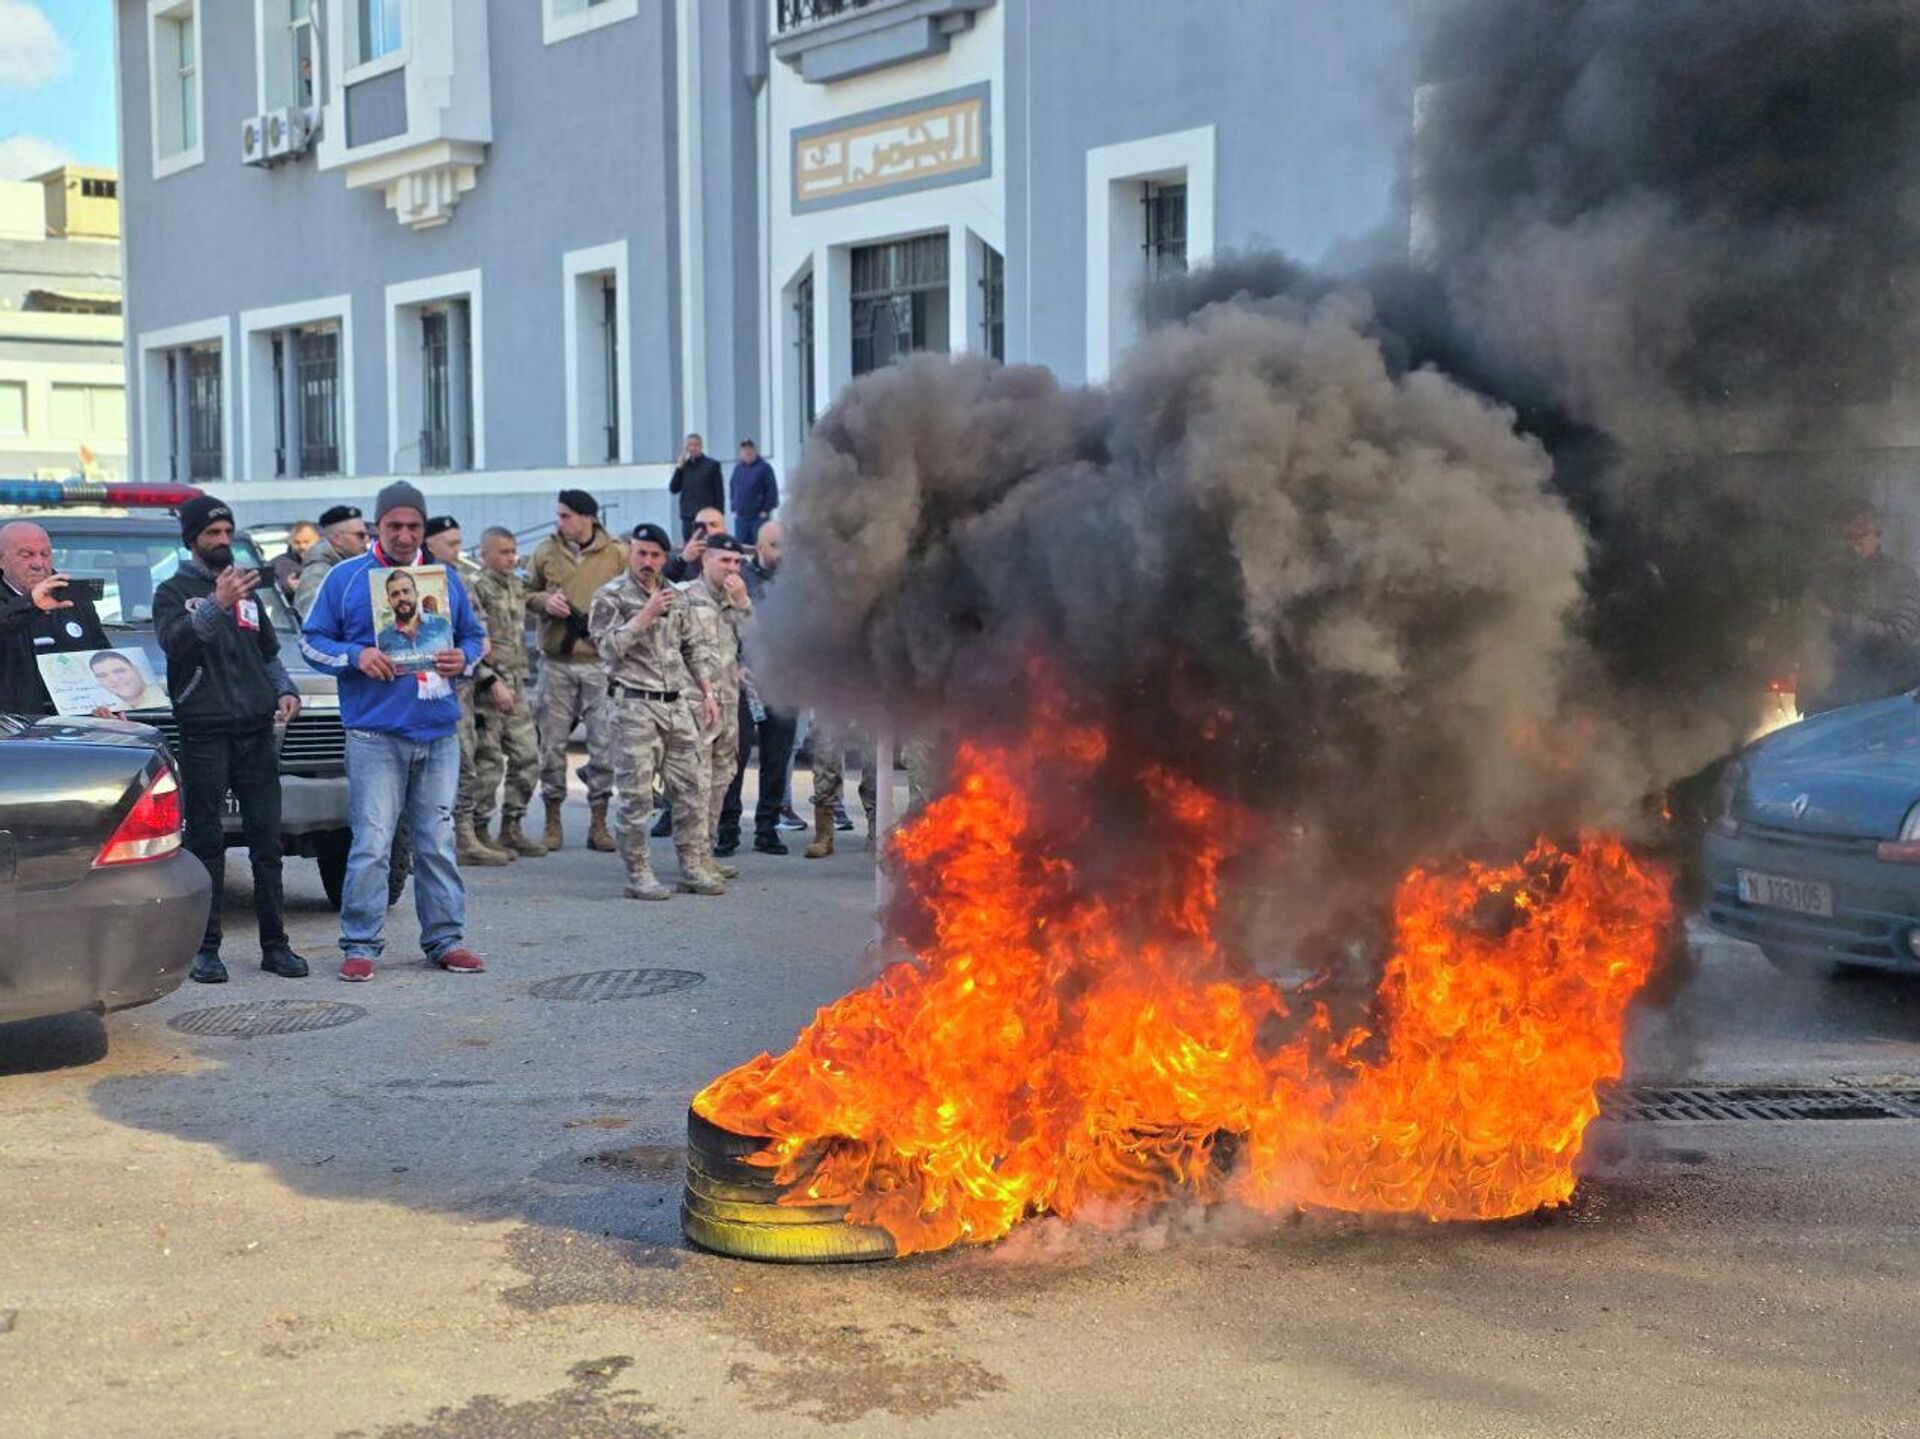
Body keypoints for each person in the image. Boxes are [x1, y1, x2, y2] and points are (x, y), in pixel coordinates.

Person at [299, 480, 489, 983]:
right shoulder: (346, 578)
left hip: (438, 732)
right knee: (373, 842)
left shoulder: (444, 579)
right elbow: (311, 642)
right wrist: (356, 656)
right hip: (375, 734)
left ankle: (446, 939)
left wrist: (462, 657)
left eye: (414, 526)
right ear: (375, 527)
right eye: (394, 526)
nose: (405, 536)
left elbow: (475, 636)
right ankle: (361, 944)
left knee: (437, 841)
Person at [154, 495, 308, 984]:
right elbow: (176, 643)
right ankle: (206, 948)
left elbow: (267, 653)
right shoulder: (173, 591)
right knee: (207, 843)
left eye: (227, 533)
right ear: (192, 539)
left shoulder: (248, 591)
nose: (222, 542)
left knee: (267, 842)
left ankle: (275, 945)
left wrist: (284, 689)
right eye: (212, 535)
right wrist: (216, 604)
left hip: (255, 730)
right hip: (204, 730)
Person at [589, 522, 723, 899]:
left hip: (676, 703)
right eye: (641, 553)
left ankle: (692, 865)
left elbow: (692, 648)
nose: (647, 562)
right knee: (637, 797)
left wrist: (708, 692)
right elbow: (606, 648)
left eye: (655, 555)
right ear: (630, 553)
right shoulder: (610, 595)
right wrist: (644, 615)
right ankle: (639, 872)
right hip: (634, 706)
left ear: (666, 558)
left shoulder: (676, 597)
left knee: (691, 789)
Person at [526, 489, 626, 853]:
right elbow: (523, 590)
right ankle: (553, 821)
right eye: (558, 515)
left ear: (587, 517)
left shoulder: (616, 554)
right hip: (556, 664)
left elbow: (634, 598)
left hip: (599, 666)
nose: (560, 522)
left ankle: (599, 822)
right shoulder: (545, 551)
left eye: (566, 515)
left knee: (604, 746)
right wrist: (543, 601)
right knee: (551, 747)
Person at [426, 516, 514, 868]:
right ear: (429, 544)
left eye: (460, 543)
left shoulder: (458, 581)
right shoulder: (419, 581)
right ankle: (452, 837)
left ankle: (465, 835)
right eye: (451, 544)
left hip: (459, 688)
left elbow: (477, 638)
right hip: (424, 689)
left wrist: (480, 662)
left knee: (464, 765)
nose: (458, 551)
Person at [718, 520, 798, 855]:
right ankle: (728, 831)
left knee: (777, 758)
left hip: (783, 681)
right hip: (742, 681)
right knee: (734, 759)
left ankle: (767, 828)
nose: (783, 552)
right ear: (759, 548)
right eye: (776, 545)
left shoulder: (797, 584)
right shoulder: (738, 581)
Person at [681, 532, 753, 885]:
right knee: (696, 784)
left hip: (728, 703)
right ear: (705, 560)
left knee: (721, 780)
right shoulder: (685, 598)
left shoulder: (733, 600)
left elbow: (757, 641)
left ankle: (706, 854)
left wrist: (742, 603)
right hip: (695, 705)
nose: (732, 568)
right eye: (725, 560)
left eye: (737, 562)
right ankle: (691, 861)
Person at [469, 527, 546, 858]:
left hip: (516, 684)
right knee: (488, 763)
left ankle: (512, 825)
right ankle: (478, 829)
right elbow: (472, 645)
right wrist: (489, 679)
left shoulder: (516, 584)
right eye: (502, 552)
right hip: (487, 688)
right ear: (484, 555)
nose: (511, 557)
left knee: (528, 756)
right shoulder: (477, 589)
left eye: (513, 551)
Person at [1806, 505, 1920, 714]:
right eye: (1847, 536)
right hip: (1831, 698)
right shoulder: (1828, 578)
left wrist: (1839, 620)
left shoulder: (1900, 576)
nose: (1853, 543)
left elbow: (1901, 633)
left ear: (1877, 535)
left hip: (1889, 696)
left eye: (1861, 534)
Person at [0, 520, 111, 715]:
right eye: (26, 555)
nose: (38, 564)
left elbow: (101, 653)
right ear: (1, 560)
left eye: (45, 554)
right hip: (11, 731)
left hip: (76, 729)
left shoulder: (74, 598)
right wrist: (31, 604)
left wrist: (113, 703)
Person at [294, 505, 370, 619]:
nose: (366, 540)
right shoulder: (317, 574)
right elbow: (315, 620)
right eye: (360, 535)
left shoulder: (355, 567)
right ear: (337, 539)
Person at [375, 569, 455, 659]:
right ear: (389, 601)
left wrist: (463, 656)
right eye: (395, 594)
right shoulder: (382, 639)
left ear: (416, 594)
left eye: (406, 591)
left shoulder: (441, 625)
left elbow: (468, 638)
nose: (402, 598)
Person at [669, 433, 725, 540]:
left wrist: (719, 515)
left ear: (701, 446)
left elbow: (719, 493)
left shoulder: (712, 465)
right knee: (689, 548)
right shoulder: (684, 467)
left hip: (706, 517)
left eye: (696, 445)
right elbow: (673, 489)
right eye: (690, 445)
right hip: (687, 516)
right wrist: (678, 468)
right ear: (686, 448)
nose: (693, 448)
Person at [729, 440, 778, 547]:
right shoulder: (738, 469)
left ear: (755, 450)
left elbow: (772, 490)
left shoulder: (764, 468)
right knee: (741, 548)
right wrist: (734, 507)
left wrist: (765, 510)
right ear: (741, 452)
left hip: (758, 518)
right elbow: (732, 488)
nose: (747, 451)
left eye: (749, 449)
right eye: (744, 449)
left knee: (759, 546)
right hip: (741, 518)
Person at [88, 649, 169, 712]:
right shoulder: (115, 710)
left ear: (136, 670)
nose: (114, 679)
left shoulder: (168, 698)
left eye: (119, 671)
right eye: (103, 676)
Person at [665, 507, 726, 584]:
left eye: (713, 525)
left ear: (724, 530)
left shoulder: (736, 559)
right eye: (701, 526)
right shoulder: (677, 561)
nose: (708, 529)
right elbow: (663, 584)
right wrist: (683, 560)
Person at [271, 520, 319, 600]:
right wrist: (287, 587)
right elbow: (267, 593)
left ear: (317, 539)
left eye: (307, 542)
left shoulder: (328, 560)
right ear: (290, 541)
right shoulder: (277, 564)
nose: (302, 547)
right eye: (297, 543)